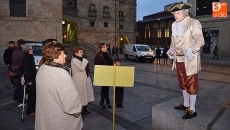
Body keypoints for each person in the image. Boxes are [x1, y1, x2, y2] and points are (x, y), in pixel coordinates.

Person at [167, 3, 204, 119]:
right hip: (178, 59)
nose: (175, 16)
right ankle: (186, 104)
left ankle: (192, 109)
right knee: (182, 82)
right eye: (174, 14)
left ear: (185, 13)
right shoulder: (174, 25)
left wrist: (189, 50)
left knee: (191, 84)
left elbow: (200, 41)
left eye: (178, 13)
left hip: (190, 59)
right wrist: (171, 50)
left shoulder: (193, 23)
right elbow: (173, 42)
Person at [35, 42, 83, 130]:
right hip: (60, 121)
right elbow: (70, 103)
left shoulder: (42, 68)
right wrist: (78, 109)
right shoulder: (61, 74)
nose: (65, 55)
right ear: (55, 56)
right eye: (62, 54)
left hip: (46, 118)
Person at [71, 46, 95, 117]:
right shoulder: (74, 60)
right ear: (76, 53)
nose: (82, 53)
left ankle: (85, 109)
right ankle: (81, 111)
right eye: (80, 52)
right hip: (79, 80)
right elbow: (81, 68)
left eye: (82, 52)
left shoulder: (81, 59)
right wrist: (84, 60)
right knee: (81, 95)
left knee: (85, 95)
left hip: (84, 78)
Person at [94, 43, 113, 109]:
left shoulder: (107, 54)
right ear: (101, 48)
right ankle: (107, 102)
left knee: (105, 89)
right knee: (105, 89)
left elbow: (111, 63)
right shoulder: (98, 56)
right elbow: (96, 66)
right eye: (104, 47)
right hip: (103, 74)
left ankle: (102, 102)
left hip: (108, 74)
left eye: (106, 47)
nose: (106, 48)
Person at [21, 45, 36, 116]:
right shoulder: (26, 58)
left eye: (32, 49)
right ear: (27, 50)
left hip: (32, 77)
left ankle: (32, 109)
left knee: (33, 95)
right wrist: (28, 81)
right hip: (30, 79)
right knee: (32, 95)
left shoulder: (30, 57)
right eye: (30, 49)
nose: (32, 50)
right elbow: (25, 70)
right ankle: (29, 111)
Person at [11, 39, 25, 106]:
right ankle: (19, 98)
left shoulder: (15, 51)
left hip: (14, 69)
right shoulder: (21, 52)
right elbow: (22, 61)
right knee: (21, 84)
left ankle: (15, 95)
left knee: (19, 83)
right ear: (22, 44)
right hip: (19, 69)